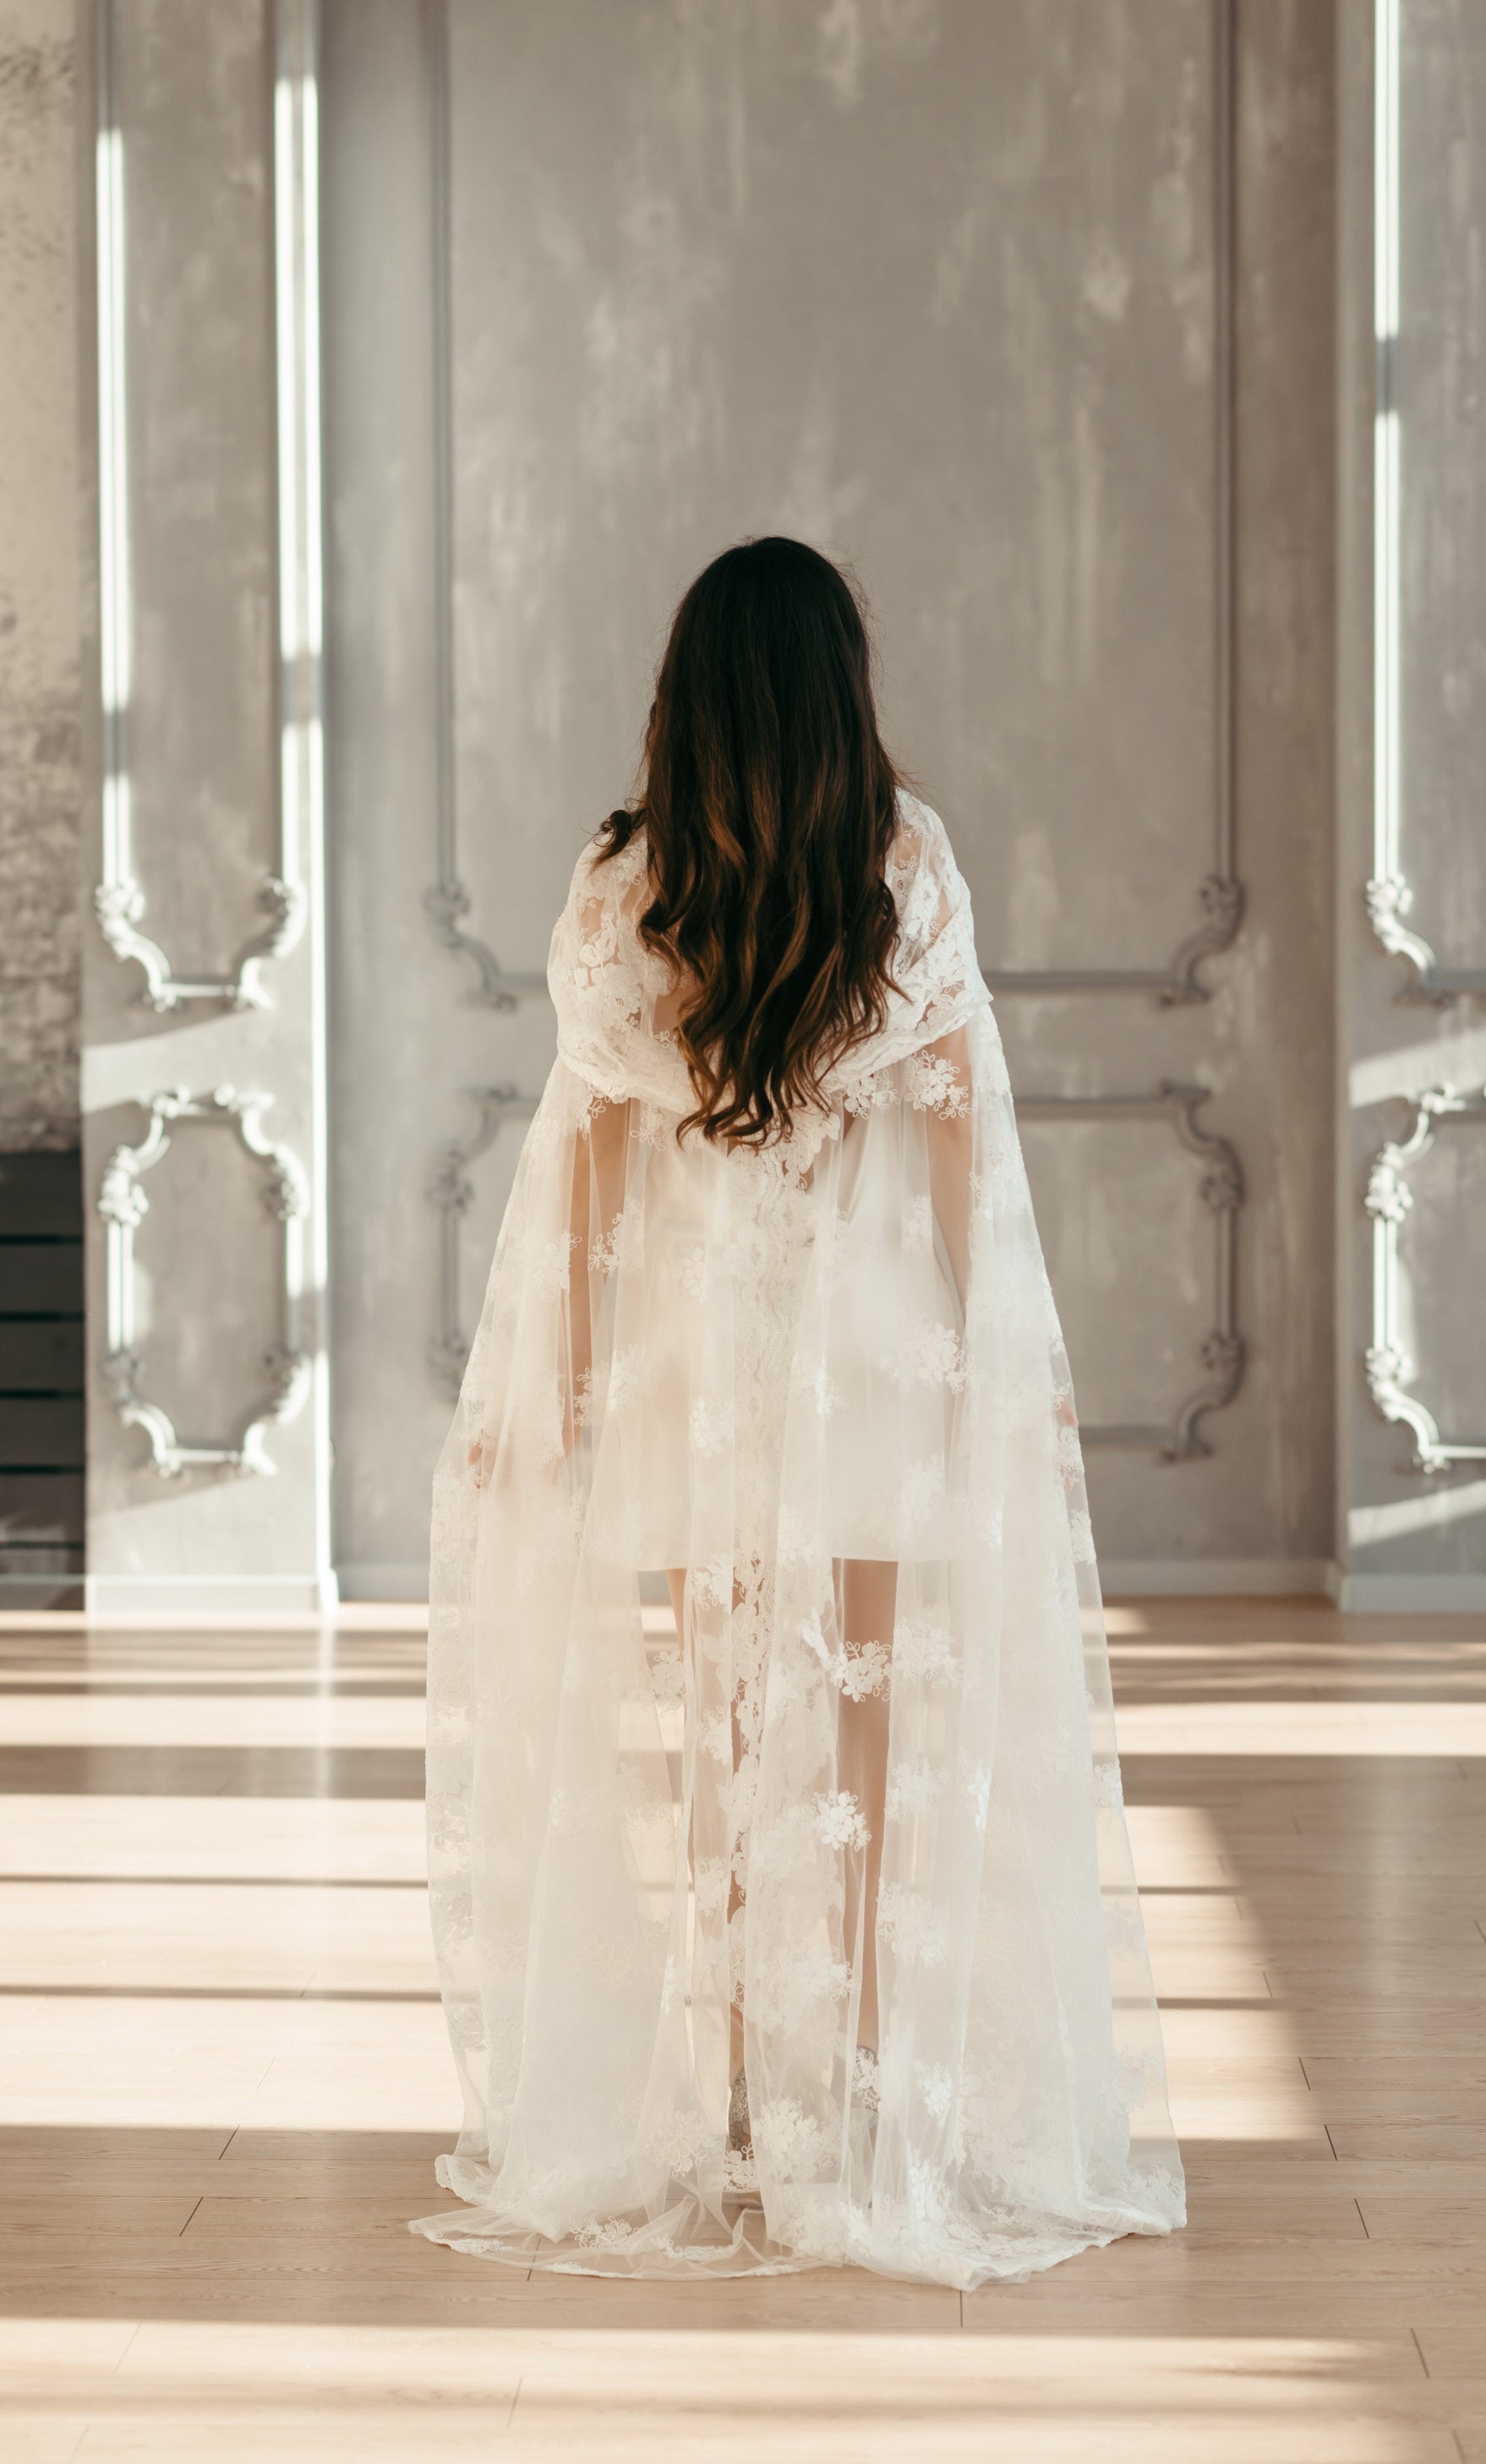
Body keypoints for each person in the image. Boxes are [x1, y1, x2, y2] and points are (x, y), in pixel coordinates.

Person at [412, 537, 1184, 2286]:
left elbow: (591, 1166)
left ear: (684, 696)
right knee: (861, 1760)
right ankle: (852, 2104)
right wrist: (1003, 1367)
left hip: (694, 1372)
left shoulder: (625, 887)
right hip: (871, 1372)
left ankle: (752, 2113)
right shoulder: (903, 870)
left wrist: (555, 1383)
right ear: (842, 690)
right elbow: (964, 1141)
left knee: (716, 1748)